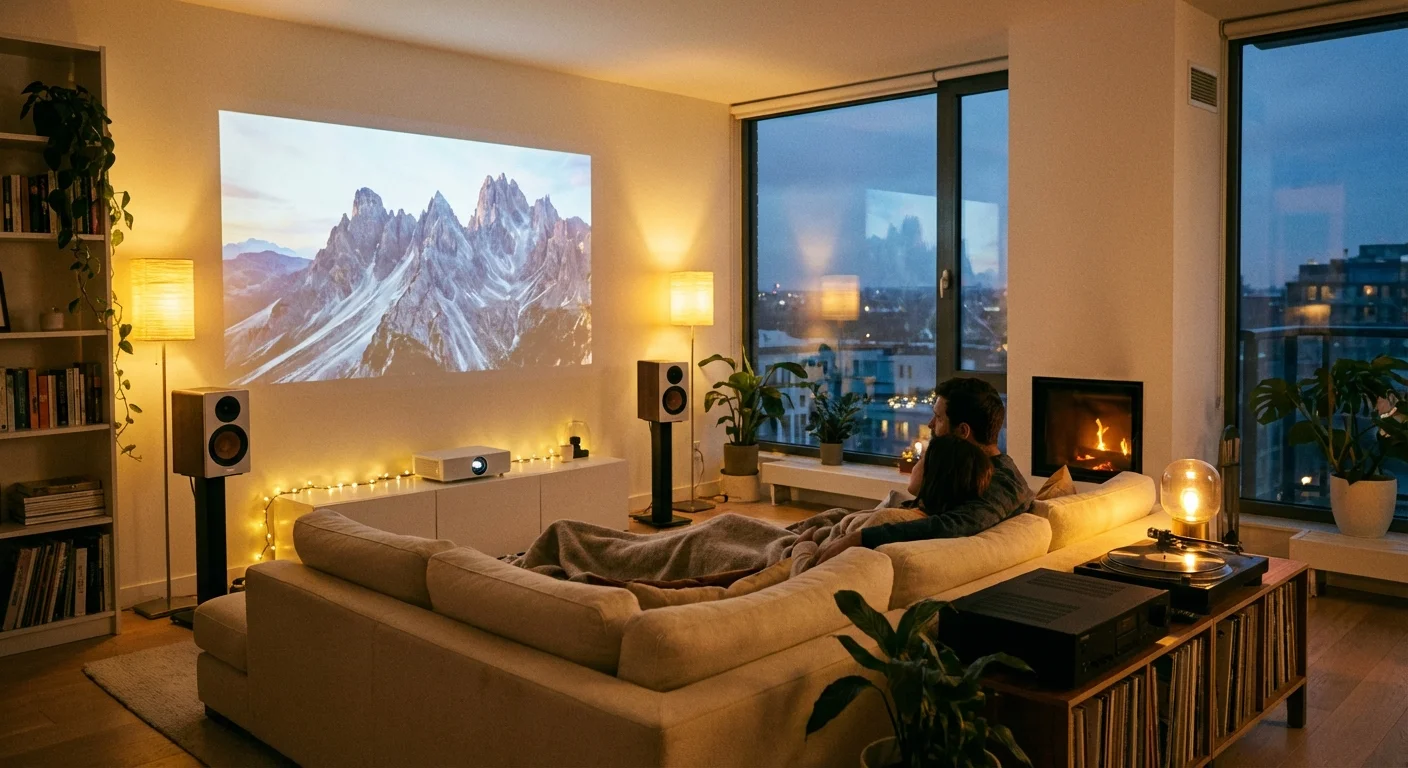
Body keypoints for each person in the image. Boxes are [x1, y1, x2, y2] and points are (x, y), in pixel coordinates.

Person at [812, 377, 1034, 565]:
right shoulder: (967, 465)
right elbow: (917, 486)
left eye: (938, 418)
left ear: (963, 431)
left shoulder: (1003, 482)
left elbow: (953, 525)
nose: (929, 424)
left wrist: (860, 538)